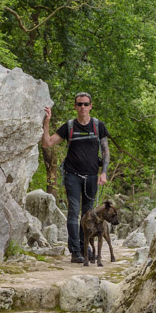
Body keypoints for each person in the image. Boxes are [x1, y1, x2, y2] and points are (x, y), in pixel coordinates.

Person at [41, 92, 110, 263]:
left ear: (91, 106)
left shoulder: (98, 126)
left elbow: (106, 151)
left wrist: (104, 173)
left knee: (88, 214)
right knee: (73, 211)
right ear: (75, 106)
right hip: (72, 175)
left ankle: (84, 247)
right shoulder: (69, 126)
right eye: (79, 104)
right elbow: (47, 143)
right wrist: (47, 122)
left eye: (86, 104)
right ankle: (75, 252)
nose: (83, 107)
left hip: (92, 176)